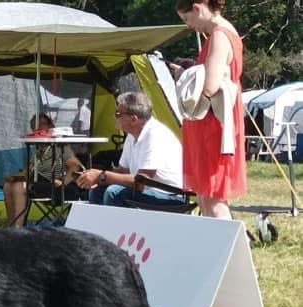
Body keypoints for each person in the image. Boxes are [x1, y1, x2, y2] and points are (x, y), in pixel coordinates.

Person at [175, 0, 247, 219]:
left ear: (198, 8)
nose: (189, 26)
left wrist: (186, 77)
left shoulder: (218, 36)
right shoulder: (226, 33)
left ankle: (225, 249)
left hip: (213, 124)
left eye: (188, 19)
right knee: (207, 195)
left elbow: (211, 85)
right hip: (217, 121)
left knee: (213, 196)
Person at [77, 92, 186, 208]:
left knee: (114, 193)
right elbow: (122, 171)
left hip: (171, 195)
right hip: (150, 191)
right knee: (98, 190)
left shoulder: (155, 134)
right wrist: (95, 177)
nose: (115, 117)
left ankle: (116, 226)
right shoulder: (132, 136)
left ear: (134, 119)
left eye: (118, 114)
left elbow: (142, 182)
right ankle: (98, 226)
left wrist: (101, 176)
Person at [3, 113, 82, 227]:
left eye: (42, 124)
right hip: (40, 184)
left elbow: (75, 166)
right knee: (8, 185)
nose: (39, 127)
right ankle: (11, 225)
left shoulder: (60, 146)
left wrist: (64, 182)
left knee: (18, 186)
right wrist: (15, 177)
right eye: (35, 125)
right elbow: (28, 170)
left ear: (50, 126)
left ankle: (18, 228)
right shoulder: (40, 150)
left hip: (57, 188)